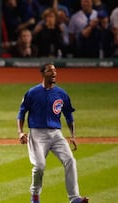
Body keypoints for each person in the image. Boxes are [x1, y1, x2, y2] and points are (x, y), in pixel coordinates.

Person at [17, 63, 89, 203]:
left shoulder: (61, 93)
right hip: (37, 134)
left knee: (70, 160)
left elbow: (68, 115)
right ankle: (35, 195)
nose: (54, 73)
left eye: (55, 70)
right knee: (39, 166)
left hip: (56, 134)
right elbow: (21, 113)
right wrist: (20, 132)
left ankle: (74, 198)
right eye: (50, 71)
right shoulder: (32, 92)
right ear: (43, 74)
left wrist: (73, 135)